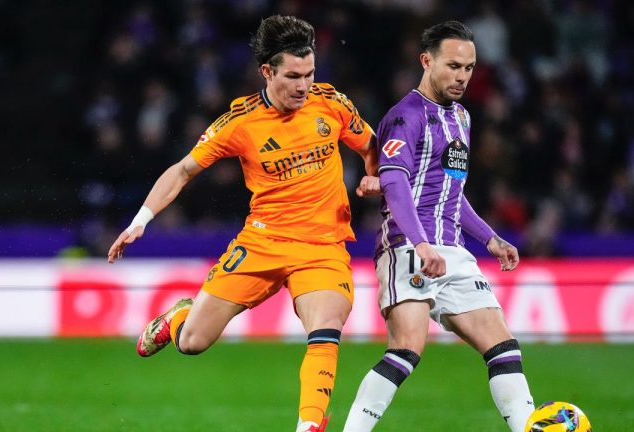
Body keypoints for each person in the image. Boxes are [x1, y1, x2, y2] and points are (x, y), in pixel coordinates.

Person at [107, 15, 378, 432]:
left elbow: (372, 145)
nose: (303, 86)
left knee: (326, 329)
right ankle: (181, 317)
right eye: (292, 76)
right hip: (263, 243)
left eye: (309, 74)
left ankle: (309, 425)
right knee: (193, 343)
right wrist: (141, 220)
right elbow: (181, 171)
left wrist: (374, 172)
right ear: (267, 72)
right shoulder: (239, 122)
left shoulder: (331, 104)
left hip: (323, 245)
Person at [342, 21, 534, 432]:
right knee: (407, 349)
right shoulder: (404, 116)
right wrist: (420, 244)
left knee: (503, 348)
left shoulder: (461, 118)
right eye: (453, 66)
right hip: (408, 248)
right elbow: (393, 181)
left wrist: (491, 238)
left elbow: (451, 193)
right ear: (426, 61)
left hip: (455, 254)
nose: (462, 76)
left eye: (469, 67)